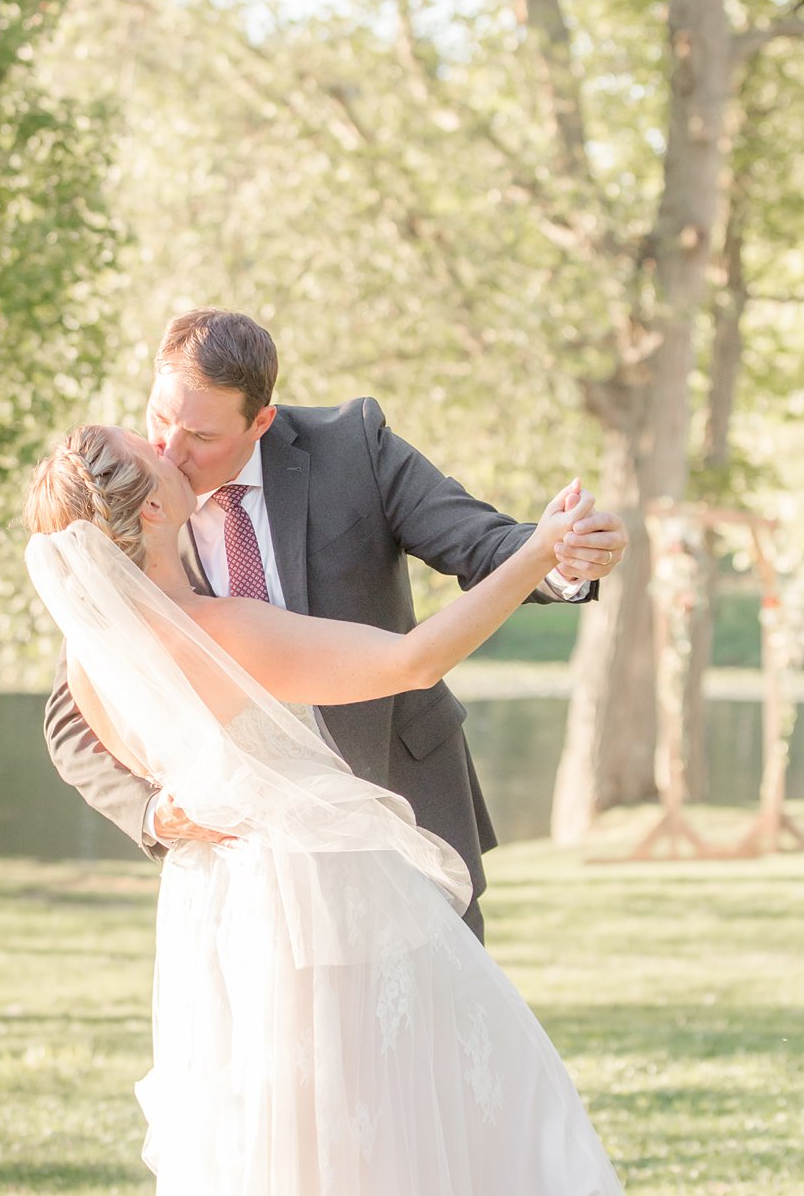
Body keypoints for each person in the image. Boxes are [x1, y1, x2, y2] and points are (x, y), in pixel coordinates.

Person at [23, 426, 767, 1196]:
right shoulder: (220, 630)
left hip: (222, 921)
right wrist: (535, 557)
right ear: (155, 517)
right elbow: (415, 656)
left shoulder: (98, 658)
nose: (169, 448)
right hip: (313, 909)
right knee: (436, 1139)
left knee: (303, 1182)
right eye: (152, 455)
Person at [44, 309, 629, 940]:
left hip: (399, 802)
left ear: (260, 421)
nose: (170, 450)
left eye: (201, 436)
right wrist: (156, 813)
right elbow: (71, 719)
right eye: (159, 418)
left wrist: (562, 556)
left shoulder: (352, 446)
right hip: (251, 863)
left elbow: (479, 541)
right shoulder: (135, 507)